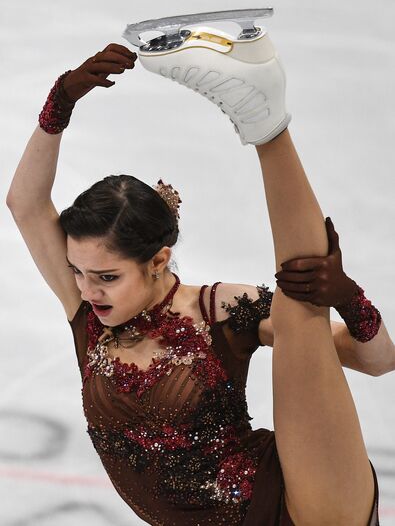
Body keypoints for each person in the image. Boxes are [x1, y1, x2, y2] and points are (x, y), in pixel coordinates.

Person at [6, 35, 389, 525]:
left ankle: (264, 118)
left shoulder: (223, 310)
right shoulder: (90, 318)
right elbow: (26, 204)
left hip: (296, 505)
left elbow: (379, 360)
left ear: (158, 260)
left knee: (301, 296)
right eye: (77, 272)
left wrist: (348, 298)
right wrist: (58, 103)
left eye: (105, 276)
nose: (85, 289)